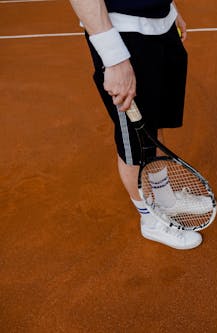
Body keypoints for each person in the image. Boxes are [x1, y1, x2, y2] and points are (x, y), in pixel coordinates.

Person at [69, 0, 203, 250]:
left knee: (154, 125)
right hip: (123, 35)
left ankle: (166, 201)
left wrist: (169, 10)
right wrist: (113, 56)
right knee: (134, 142)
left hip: (159, 25)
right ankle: (150, 220)